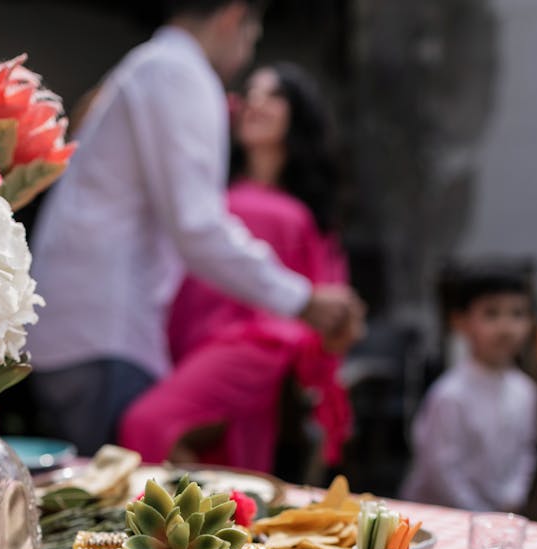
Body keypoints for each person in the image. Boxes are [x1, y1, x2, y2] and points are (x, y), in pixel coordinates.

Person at [27, 0, 363, 456]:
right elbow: (199, 227)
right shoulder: (178, 73)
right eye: (251, 37)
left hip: (95, 330)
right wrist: (301, 300)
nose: (245, 57)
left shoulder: (153, 67)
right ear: (232, 17)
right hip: (105, 332)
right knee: (112, 513)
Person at [119, 62, 356, 473]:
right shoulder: (210, 193)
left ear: (297, 115)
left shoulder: (302, 212)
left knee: (146, 424)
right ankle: (210, 528)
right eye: (251, 93)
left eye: (274, 95)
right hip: (188, 342)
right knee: (213, 457)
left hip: (255, 346)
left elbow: (328, 299)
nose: (257, 103)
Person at [401, 263, 537, 512]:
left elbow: (526, 452)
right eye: (491, 314)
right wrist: (480, 515)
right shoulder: (450, 395)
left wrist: (513, 498)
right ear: (461, 321)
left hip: (495, 519)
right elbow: (441, 471)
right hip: (438, 517)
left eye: (518, 314)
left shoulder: (526, 391)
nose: (506, 327)